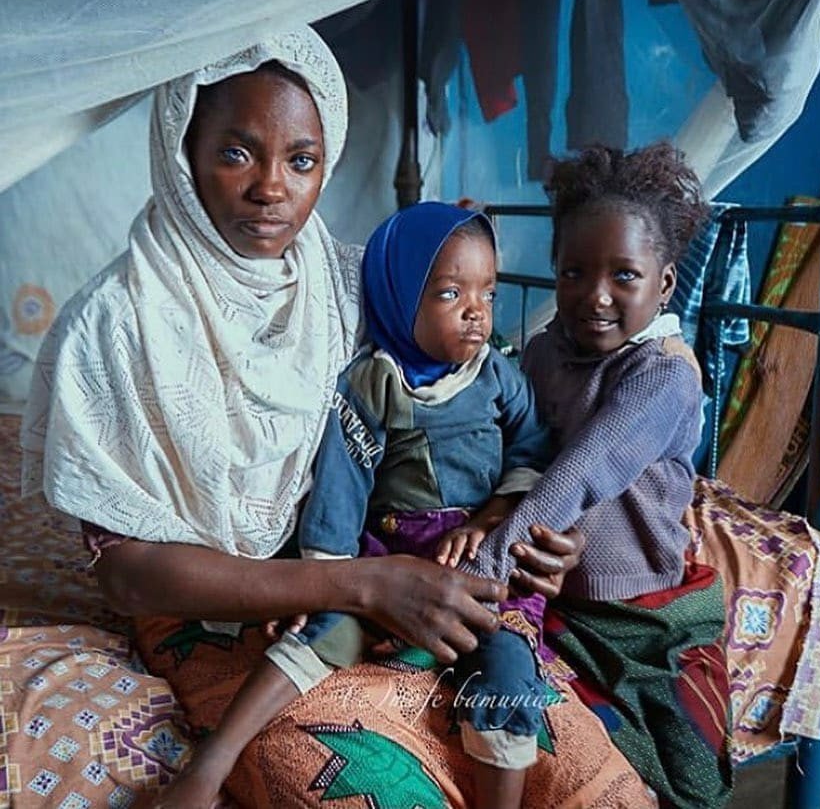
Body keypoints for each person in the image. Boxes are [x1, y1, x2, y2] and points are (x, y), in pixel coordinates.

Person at [19, 27, 590, 807]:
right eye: (235, 153)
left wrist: (532, 530)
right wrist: (362, 586)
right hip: (218, 614)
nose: (271, 189)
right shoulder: (115, 325)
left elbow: (471, 432)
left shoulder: (355, 287)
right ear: (182, 151)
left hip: (392, 580)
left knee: (582, 773)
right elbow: (126, 574)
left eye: (302, 160)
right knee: (364, 789)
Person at [152, 201, 558, 809]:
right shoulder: (373, 383)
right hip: (390, 564)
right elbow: (341, 490)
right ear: (398, 296)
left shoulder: (498, 375)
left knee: (507, 667)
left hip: (478, 567)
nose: (477, 312)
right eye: (450, 294)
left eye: (489, 294)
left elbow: (533, 449)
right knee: (321, 632)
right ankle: (209, 766)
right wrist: (323, 583)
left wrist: (491, 517)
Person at [465, 141, 733, 808]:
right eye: (574, 273)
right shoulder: (546, 349)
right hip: (555, 589)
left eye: (624, 276)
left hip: (634, 606)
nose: (595, 297)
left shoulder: (664, 374)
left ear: (665, 283)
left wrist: (482, 570)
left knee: (671, 759)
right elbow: (519, 449)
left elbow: (583, 471)